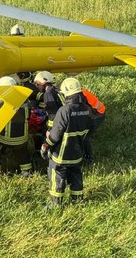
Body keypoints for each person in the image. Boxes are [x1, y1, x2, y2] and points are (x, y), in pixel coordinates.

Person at [40, 77, 97, 206]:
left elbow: (55, 134)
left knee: (57, 177)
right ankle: (77, 202)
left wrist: (46, 145)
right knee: (76, 176)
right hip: (77, 154)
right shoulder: (88, 109)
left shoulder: (64, 111)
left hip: (61, 155)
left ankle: (55, 205)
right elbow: (90, 130)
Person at [0, 76, 31, 176]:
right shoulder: (25, 100)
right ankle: (27, 172)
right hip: (22, 138)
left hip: (5, 138)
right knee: (23, 154)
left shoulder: (1, 102)